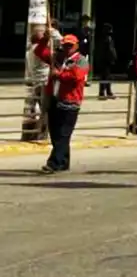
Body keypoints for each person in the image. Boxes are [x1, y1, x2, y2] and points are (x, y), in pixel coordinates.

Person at [33, 32, 88, 173]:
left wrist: (59, 74)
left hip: (70, 103)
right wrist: (45, 39)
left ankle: (53, 163)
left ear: (76, 46)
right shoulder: (57, 58)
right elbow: (39, 52)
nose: (67, 48)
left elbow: (76, 76)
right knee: (57, 135)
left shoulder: (81, 60)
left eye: (70, 45)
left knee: (63, 135)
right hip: (55, 100)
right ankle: (63, 161)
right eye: (65, 45)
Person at [95, 22, 117, 99]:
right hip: (106, 60)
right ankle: (107, 92)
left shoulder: (100, 38)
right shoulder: (108, 38)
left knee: (103, 77)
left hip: (101, 60)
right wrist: (113, 57)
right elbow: (111, 50)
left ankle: (103, 92)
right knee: (107, 77)